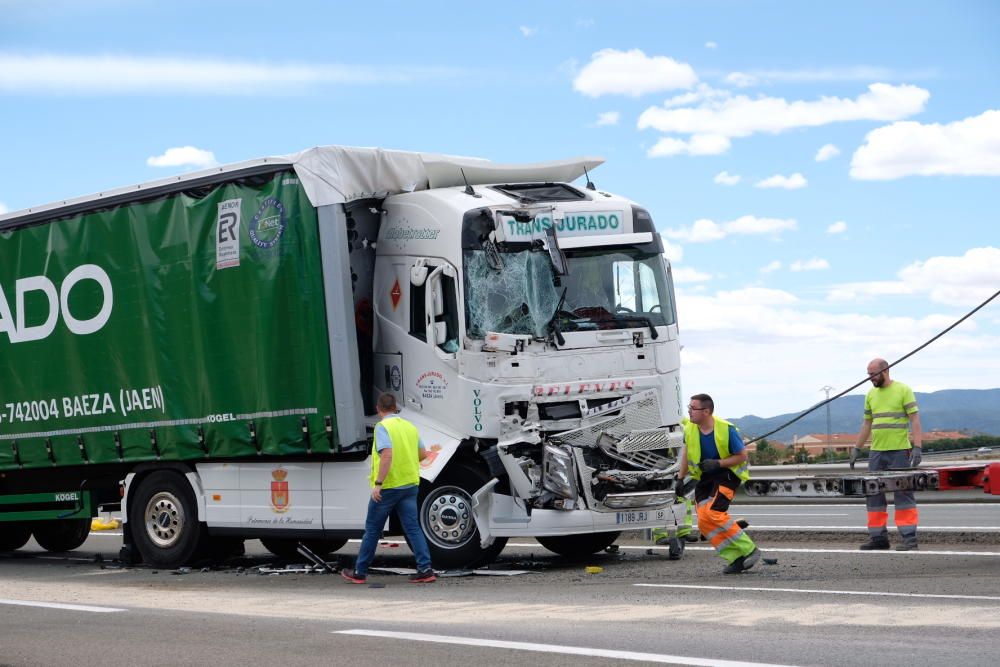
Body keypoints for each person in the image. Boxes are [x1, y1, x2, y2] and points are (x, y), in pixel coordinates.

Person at [341, 393, 437, 584]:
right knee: (413, 529)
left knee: (372, 529)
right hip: (410, 485)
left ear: (378, 409)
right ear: (395, 408)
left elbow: (387, 454)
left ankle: (360, 572)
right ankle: (425, 569)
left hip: (389, 487)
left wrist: (378, 484)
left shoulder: (382, 427)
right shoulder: (410, 427)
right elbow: (422, 454)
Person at [679, 393, 760, 574]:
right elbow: (685, 455)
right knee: (703, 522)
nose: (689, 412)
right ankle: (735, 558)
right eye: (689, 408)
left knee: (714, 513)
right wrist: (679, 478)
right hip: (706, 477)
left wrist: (718, 463)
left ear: (706, 411)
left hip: (727, 474)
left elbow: (742, 456)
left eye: (693, 408)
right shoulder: (690, 430)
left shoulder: (726, 429)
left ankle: (750, 550)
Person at [851, 359, 922, 551]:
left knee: (903, 493)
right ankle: (878, 538)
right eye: (868, 375)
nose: (871, 378)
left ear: (885, 371)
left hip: (899, 450)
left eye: (873, 374)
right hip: (877, 452)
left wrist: (917, 446)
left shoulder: (903, 390)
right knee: (873, 493)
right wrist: (857, 448)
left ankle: (909, 538)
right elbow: (867, 424)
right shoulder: (870, 394)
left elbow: (914, 419)